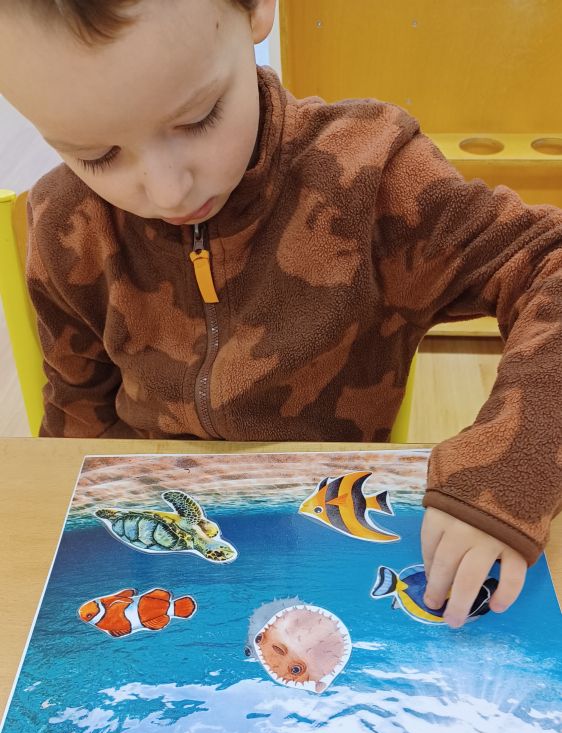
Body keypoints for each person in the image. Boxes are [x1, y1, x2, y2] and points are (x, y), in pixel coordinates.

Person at [0, 0, 560, 628]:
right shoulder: (66, 223)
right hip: (162, 546)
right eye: (96, 154)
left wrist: (508, 470)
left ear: (255, 9)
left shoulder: (373, 174)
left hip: (328, 539)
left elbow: (551, 261)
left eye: (198, 117)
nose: (167, 190)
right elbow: (76, 412)